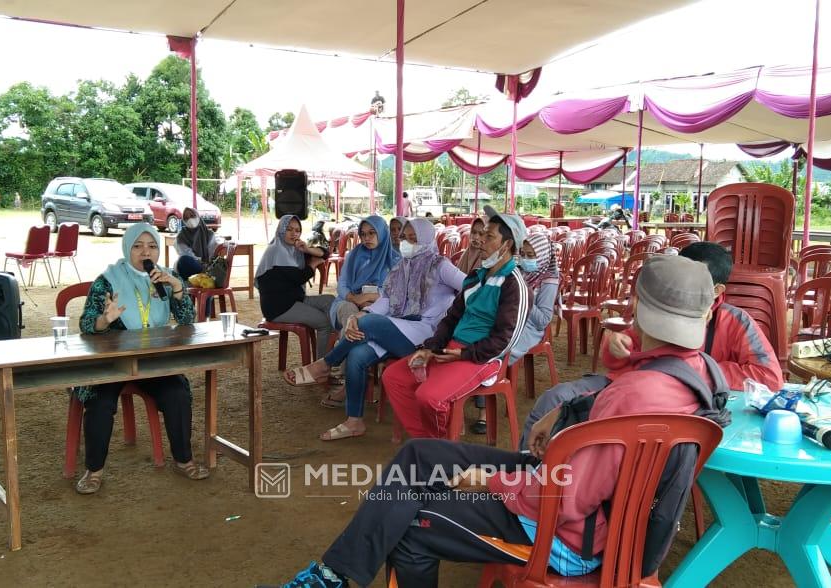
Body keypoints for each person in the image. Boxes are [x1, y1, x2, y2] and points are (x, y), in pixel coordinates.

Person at [261, 255, 718, 587]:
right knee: (420, 454)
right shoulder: (698, 372)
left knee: (409, 524)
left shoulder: (634, 396)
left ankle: (331, 576)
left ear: (639, 307)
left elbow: (564, 498)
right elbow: (614, 420)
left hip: (565, 530)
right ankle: (333, 575)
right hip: (578, 498)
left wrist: (493, 480)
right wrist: (582, 394)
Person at [518, 240, 782, 448]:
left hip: (680, 403)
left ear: (716, 291)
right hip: (633, 388)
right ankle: (531, 471)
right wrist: (615, 346)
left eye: (693, 281)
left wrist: (697, 373)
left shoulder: (736, 321)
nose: (680, 286)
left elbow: (768, 377)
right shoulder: (661, 306)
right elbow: (626, 352)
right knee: (555, 398)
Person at [286, 219, 467, 441]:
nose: (407, 243)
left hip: (424, 334)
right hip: (398, 327)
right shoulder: (403, 266)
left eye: (414, 239)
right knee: (357, 355)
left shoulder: (440, 265)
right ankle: (354, 421)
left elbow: (470, 287)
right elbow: (388, 299)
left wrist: (449, 312)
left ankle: (325, 364)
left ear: (426, 240)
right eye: (405, 238)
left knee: (369, 324)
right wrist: (361, 314)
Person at [74, 223, 207, 494]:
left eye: (152, 246)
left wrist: (178, 290)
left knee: (177, 393)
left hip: (154, 360)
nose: (145, 252)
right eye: (138, 246)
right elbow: (86, 324)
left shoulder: (166, 278)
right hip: (114, 362)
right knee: (100, 402)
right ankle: (94, 469)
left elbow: (186, 323)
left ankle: (183, 459)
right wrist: (105, 319)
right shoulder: (108, 280)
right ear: (127, 248)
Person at [382, 206, 529, 439]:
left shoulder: (513, 284)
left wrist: (464, 355)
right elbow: (451, 318)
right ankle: (426, 442)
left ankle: (439, 449)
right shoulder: (476, 278)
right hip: (452, 348)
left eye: (489, 236)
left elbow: (505, 340)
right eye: (480, 234)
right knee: (394, 377)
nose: (480, 240)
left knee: (429, 397)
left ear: (507, 245)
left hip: (484, 358)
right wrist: (431, 348)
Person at [471, 230, 560, 434]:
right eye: (524, 254)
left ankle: (483, 413)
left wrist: (524, 296)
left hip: (530, 329)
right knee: (477, 338)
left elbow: (543, 320)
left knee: (492, 351)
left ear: (544, 256)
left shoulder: (549, 280)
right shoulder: (518, 270)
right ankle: (470, 388)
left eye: (532, 255)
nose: (526, 259)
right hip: (509, 318)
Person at [256, 215, 334, 358]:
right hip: (278, 307)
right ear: (281, 230)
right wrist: (313, 264)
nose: (294, 234)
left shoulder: (295, 250)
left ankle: (332, 347)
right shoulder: (276, 251)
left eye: (297, 230)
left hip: (294, 300)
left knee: (331, 301)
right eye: (289, 229)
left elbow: (325, 253)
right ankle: (321, 367)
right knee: (324, 323)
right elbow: (299, 278)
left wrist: (308, 250)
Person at [328, 215, 398, 332]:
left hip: (380, 304)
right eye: (363, 234)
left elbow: (396, 292)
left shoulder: (395, 260)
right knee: (349, 313)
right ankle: (351, 343)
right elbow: (342, 284)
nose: (366, 238)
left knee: (370, 318)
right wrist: (354, 298)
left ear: (382, 233)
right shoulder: (353, 255)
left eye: (371, 233)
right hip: (350, 300)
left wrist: (368, 298)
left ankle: (347, 347)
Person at [174, 207, 223, 283]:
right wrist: (200, 262)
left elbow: (213, 252)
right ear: (184, 220)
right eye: (186, 218)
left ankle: (199, 288)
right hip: (193, 266)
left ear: (197, 216)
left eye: (192, 216)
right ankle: (192, 288)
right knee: (183, 260)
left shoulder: (209, 234)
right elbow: (186, 253)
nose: (190, 219)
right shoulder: (181, 236)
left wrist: (207, 264)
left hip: (208, 267)